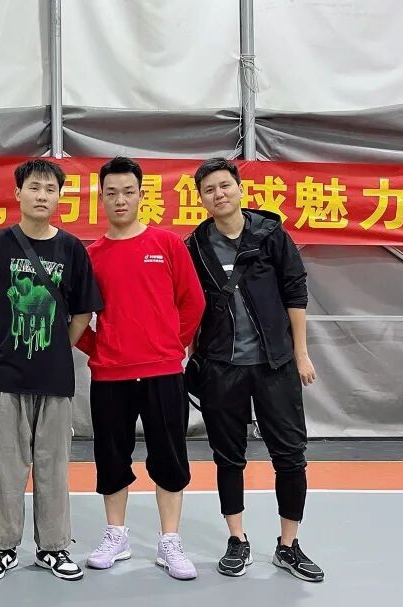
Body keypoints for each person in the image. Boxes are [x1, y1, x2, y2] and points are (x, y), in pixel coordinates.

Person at [188, 157, 324, 582]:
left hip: (274, 364)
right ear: (201, 199)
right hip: (220, 367)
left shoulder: (270, 235)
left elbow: (295, 292)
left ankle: (288, 545)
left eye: (224, 185)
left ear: (239, 188)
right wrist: (191, 357)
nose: (219, 194)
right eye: (209, 189)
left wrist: (301, 353)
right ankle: (237, 539)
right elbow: (190, 305)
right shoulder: (195, 245)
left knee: (290, 456)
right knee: (228, 457)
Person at [0, 159, 103, 582]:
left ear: (59, 197)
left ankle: (54, 547)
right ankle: (3, 545)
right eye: (34, 187)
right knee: (6, 465)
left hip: (56, 377)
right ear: (18, 193)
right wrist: (2, 345)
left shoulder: (71, 249)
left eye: (50, 189)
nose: (42, 195)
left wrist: (57, 346)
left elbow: (82, 313)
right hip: (9, 375)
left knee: (53, 465)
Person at [77, 157, 205, 580]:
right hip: (109, 376)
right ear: (101, 197)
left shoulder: (167, 244)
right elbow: (76, 318)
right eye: (112, 193)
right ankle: (116, 535)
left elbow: (193, 302)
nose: (120, 200)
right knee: (111, 457)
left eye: (128, 192)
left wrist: (170, 346)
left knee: (169, 457)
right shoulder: (91, 256)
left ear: (141, 195)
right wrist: (101, 347)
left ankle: (170, 541)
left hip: (163, 373)